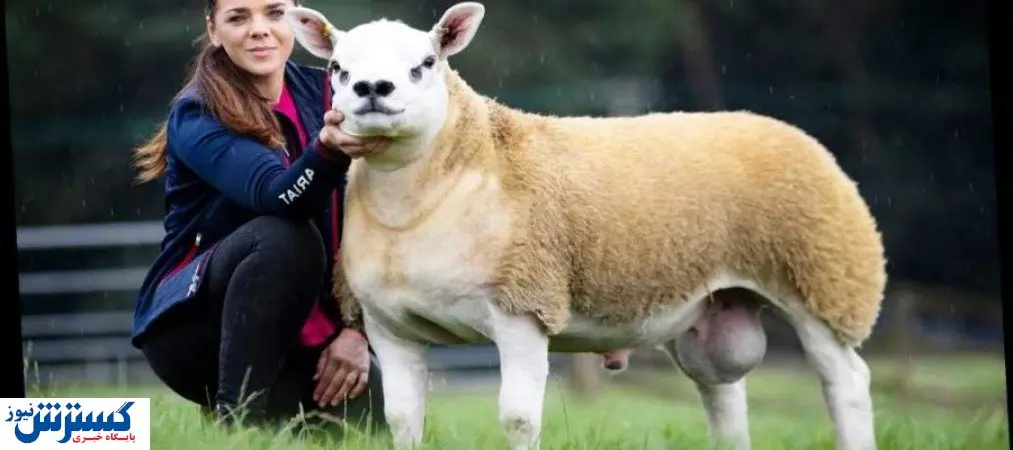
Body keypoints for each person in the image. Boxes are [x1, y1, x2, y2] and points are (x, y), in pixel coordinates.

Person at [128, 0, 391, 431]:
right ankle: (236, 424)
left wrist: (356, 330)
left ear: (298, 20)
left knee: (379, 421)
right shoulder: (196, 113)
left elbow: (376, 220)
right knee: (284, 236)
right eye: (238, 17)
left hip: (308, 333)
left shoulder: (332, 90)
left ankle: (273, 416)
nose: (259, 29)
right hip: (194, 331)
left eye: (274, 13)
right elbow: (280, 197)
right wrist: (327, 150)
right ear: (213, 30)